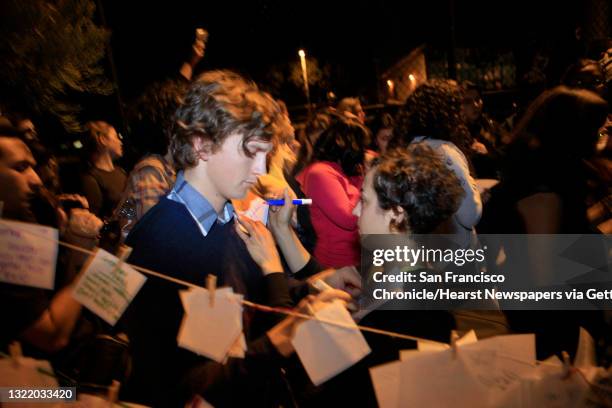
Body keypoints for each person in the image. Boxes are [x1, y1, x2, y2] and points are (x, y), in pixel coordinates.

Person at [123, 70, 349, 406]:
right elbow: (177, 387)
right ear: (201, 144)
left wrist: (317, 287)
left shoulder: (226, 220)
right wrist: (279, 340)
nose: (260, 170)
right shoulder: (161, 243)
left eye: (266, 155)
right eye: (250, 152)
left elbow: (247, 300)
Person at [265, 144, 508, 406]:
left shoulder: (413, 313)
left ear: (396, 215)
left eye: (365, 201)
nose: (356, 210)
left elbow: (340, 389)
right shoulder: (395, 276)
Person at [391, 79, 482, 248]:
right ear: (447, 113)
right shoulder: (446, 153)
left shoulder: (409, 149)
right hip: (456, 253)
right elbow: (470, 215)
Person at [296, 117, 367, 268]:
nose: (362, 151)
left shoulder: (347, 171)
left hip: (358, 260)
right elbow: (349, 218)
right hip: (337, 264)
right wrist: (364, 183)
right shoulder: (321, 173)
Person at [80, 121, 127, 220]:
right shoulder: (91, 179)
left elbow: (129, 212)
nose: (120, 141)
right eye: (116, 137)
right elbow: (94, 222)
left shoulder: (121, 172)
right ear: (103, 139)